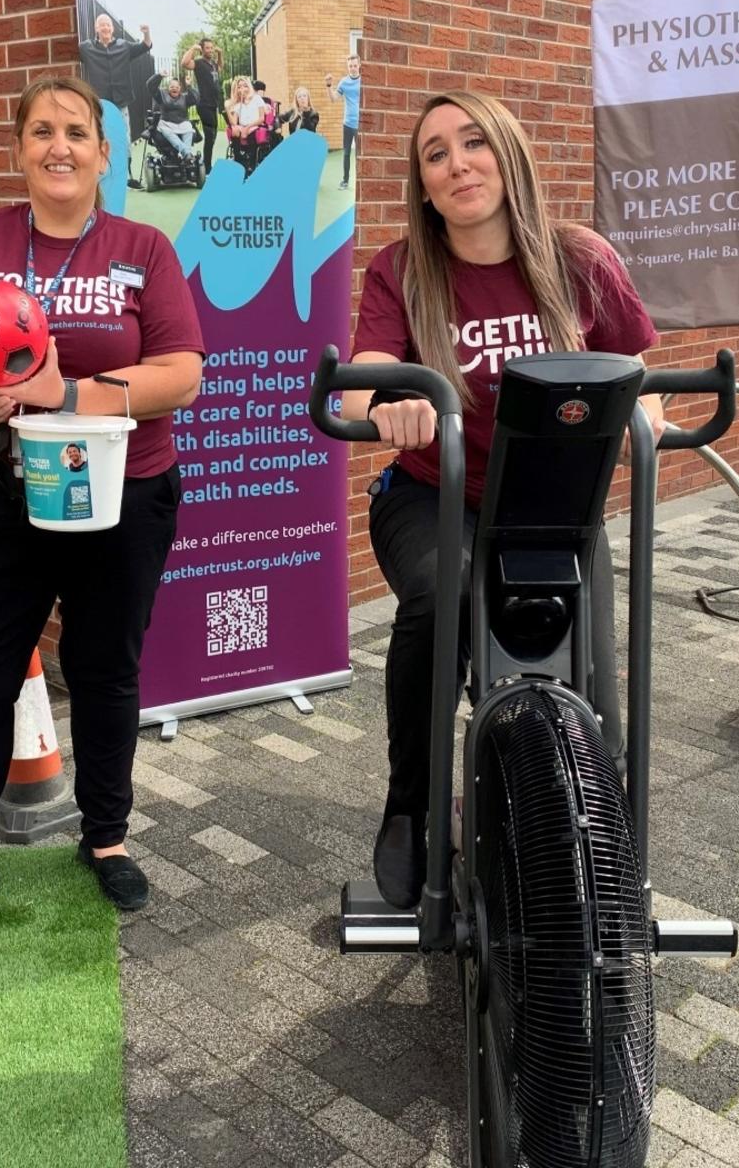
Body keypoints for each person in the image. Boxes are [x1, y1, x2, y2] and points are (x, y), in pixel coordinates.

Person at [0, 76, 204, 919]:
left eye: (77, 133)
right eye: (42, 131)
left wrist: (62, 395)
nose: (60, 147)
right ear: (18, 149)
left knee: (105, 674)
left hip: (121, 500)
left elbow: (181, 375)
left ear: (102, 153)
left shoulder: (143, 248)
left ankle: (107, 839)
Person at [342, 90, 662, 910]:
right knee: (441, 595)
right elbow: (356, 392)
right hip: (433, 495)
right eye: (435, 154)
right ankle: (410, 806)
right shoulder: (403, 268)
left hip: (552, 503)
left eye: (473, 143)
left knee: (586, 649)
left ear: (508, 153)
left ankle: (597, 808)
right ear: (422, 183)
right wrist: (390, 406)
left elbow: (637, 376)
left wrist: (646, 425)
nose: (457, 165)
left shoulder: (580, 258)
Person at [78, 13, 152, 186]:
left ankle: (125, 175)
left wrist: (146, 32)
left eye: (108, 25)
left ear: (112, 28)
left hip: (121, 101)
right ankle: (100, 174)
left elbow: (146, 46)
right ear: (96, 28)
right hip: (99, 103)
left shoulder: (124, 46)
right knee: (99, 137)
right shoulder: (86, 48)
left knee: (123, 139)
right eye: (102, 25)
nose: (105, 28)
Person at [181, 38, 223, 174]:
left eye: (212, 48)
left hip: (213, 104)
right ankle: (207, 167)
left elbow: (220, 67)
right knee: (210, 135)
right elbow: (184, 63)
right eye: (207, 48)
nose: (210, 50)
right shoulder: (199, 63)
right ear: (202, 49)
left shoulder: (212, 64)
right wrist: (193, 48)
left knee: (213, 135)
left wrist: (220, 54)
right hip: (203, 104)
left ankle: (206, 163)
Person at [324, 54, 360, 189]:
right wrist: (328, 85)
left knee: (360, 155)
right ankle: (345, 181)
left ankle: (360, 182)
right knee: (346, 153)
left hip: (361, 125)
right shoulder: (344, 82)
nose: (353, 68)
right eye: (350, 66)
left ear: (359, 65)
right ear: (348, 67)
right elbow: (333, 99)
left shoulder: (364, 81)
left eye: (355, 65)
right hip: (348, 124)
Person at [146, 72, 199, 162]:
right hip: (167, 124)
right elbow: (150, 85)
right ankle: (186, 153)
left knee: (189, 129)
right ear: (168, 88)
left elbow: (195, 98)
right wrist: (159, 76)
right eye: (172, 87)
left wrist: (189, 86)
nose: (174, 88)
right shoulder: (161, 95)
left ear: (180, 89)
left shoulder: (185, 98)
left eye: (177, 87)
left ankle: (186, 156)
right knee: (166, 131)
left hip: (182, 123)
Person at [224, 76, 266, 177]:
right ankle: (238, 159)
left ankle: (251, 164)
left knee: (251, 133)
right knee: (234, 129)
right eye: (239, 87)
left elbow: (261, 118)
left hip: (255, 125)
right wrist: (227, 109)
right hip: (243, 126)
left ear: (249, 87)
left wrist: (247, 128)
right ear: (237, 90)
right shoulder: (239, 104)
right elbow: (234, 122)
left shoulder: (257, 99)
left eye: (245, 86)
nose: (242, 89)